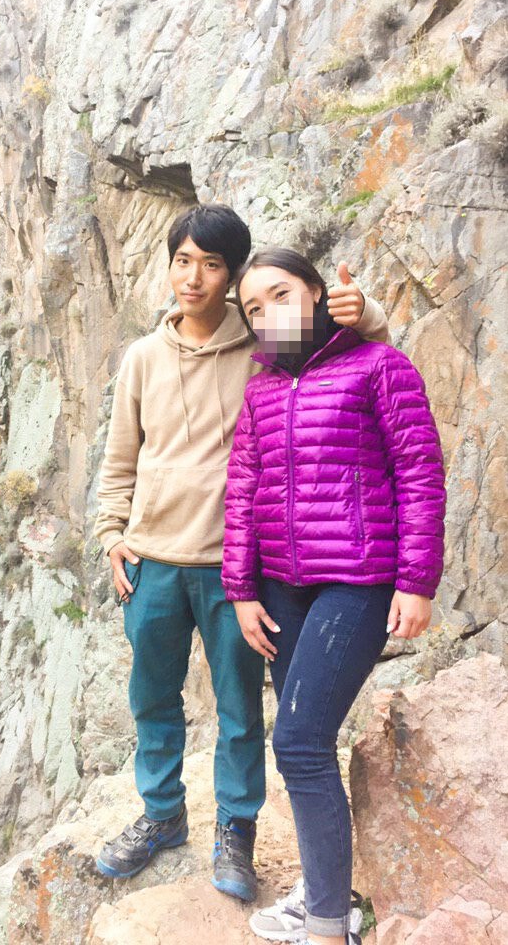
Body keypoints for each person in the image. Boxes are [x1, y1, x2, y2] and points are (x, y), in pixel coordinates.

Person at [92, 206, 391, 904]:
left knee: (238, 708)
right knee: (152, 698)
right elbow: (120, 458)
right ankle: (162, 813)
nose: (193, 277)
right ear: (169, 266)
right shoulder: (142, 358)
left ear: (230, 277)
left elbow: (346, 353)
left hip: (235, 566)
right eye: (182, 261)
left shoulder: (263, 343)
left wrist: (369, 312)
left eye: (211, 264)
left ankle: (237, 829)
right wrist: (111, 533)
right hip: (153, 562)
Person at [222, 247, 446, 942]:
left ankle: (327, 926)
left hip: (356, 582)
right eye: (254, 309)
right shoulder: (261, 391)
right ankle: (325, 891)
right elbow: (243, 489)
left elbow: (419, 473)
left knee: (297, 742)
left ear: (318, 293)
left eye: (281, 295)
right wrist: (241, 589)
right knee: (306, 745)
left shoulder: (380, 367)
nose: (268, 314)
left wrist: (416, 581)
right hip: (281, 588)